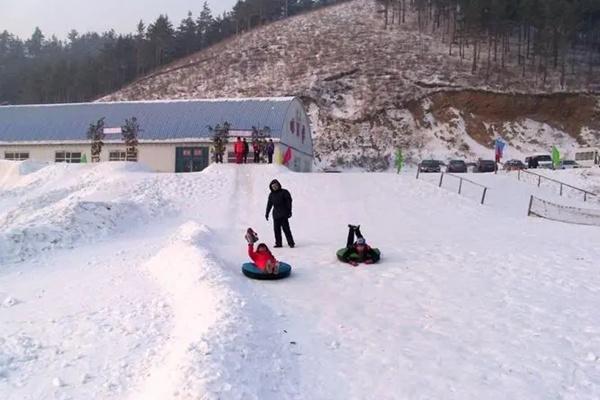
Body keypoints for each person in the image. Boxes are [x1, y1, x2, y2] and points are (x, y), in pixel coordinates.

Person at [265, 179, 295, 248]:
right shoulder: (271, 195)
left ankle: (291, 243)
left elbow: (289, 202)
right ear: (271, 187)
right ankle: (278, 243)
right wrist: (267, 213)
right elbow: (269, 204)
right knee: (276, 230)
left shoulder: (284, 192)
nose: (275, 187)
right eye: (273, 186)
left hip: (284, 214)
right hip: (275, 215)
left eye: (276, 185)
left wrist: (289, 211)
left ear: (278, 185)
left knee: (286, 229)